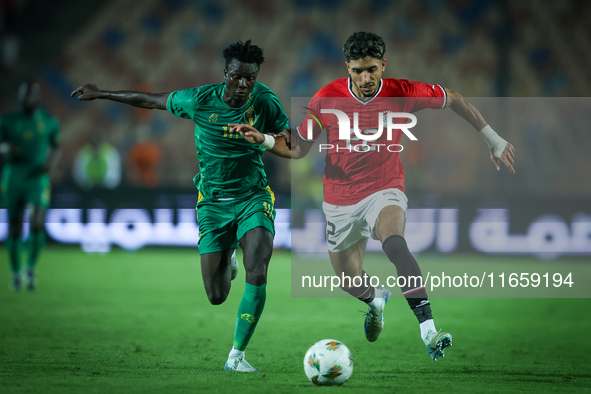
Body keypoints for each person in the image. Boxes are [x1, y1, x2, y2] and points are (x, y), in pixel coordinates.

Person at [231, 32, 516, 361]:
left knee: (394, 243)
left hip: (385, 187)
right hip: (339, 198)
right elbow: (299, 146)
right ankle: (375, 300)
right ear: (347, 68)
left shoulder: (403, 92)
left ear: (383, 65)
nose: (365, 78)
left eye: (371, 70)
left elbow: (454, 98)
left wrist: (493, 139)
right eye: (357, 71)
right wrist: (264, 140)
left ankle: (429, 331)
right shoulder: (326, 98)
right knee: (349, 280)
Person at [71, 40, 290, 372]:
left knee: (257, 270)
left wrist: (265, 139)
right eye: (238, 77)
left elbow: (292, 141)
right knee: (216, 296)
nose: (244, 85)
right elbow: (151, 100)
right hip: (213, 205)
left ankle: (237, 356)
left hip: (253, 197)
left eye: (251, 78)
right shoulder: (200, 99)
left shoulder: (265, 101)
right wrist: (102, 93)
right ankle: (228, 247)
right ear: (225, 73)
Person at [0, 81, 60, 291]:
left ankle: (31, 269)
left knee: (36, 222)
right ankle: (15, 273)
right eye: (25, 95)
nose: (28, 99)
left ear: (37, 97)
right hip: (14, 176)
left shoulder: (49, 122)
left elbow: (56, 147)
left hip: (37, 177)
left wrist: (50, 164)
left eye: (31, 95)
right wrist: (7, 148)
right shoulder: (7, 121)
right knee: (15, 227)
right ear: (20, 97)